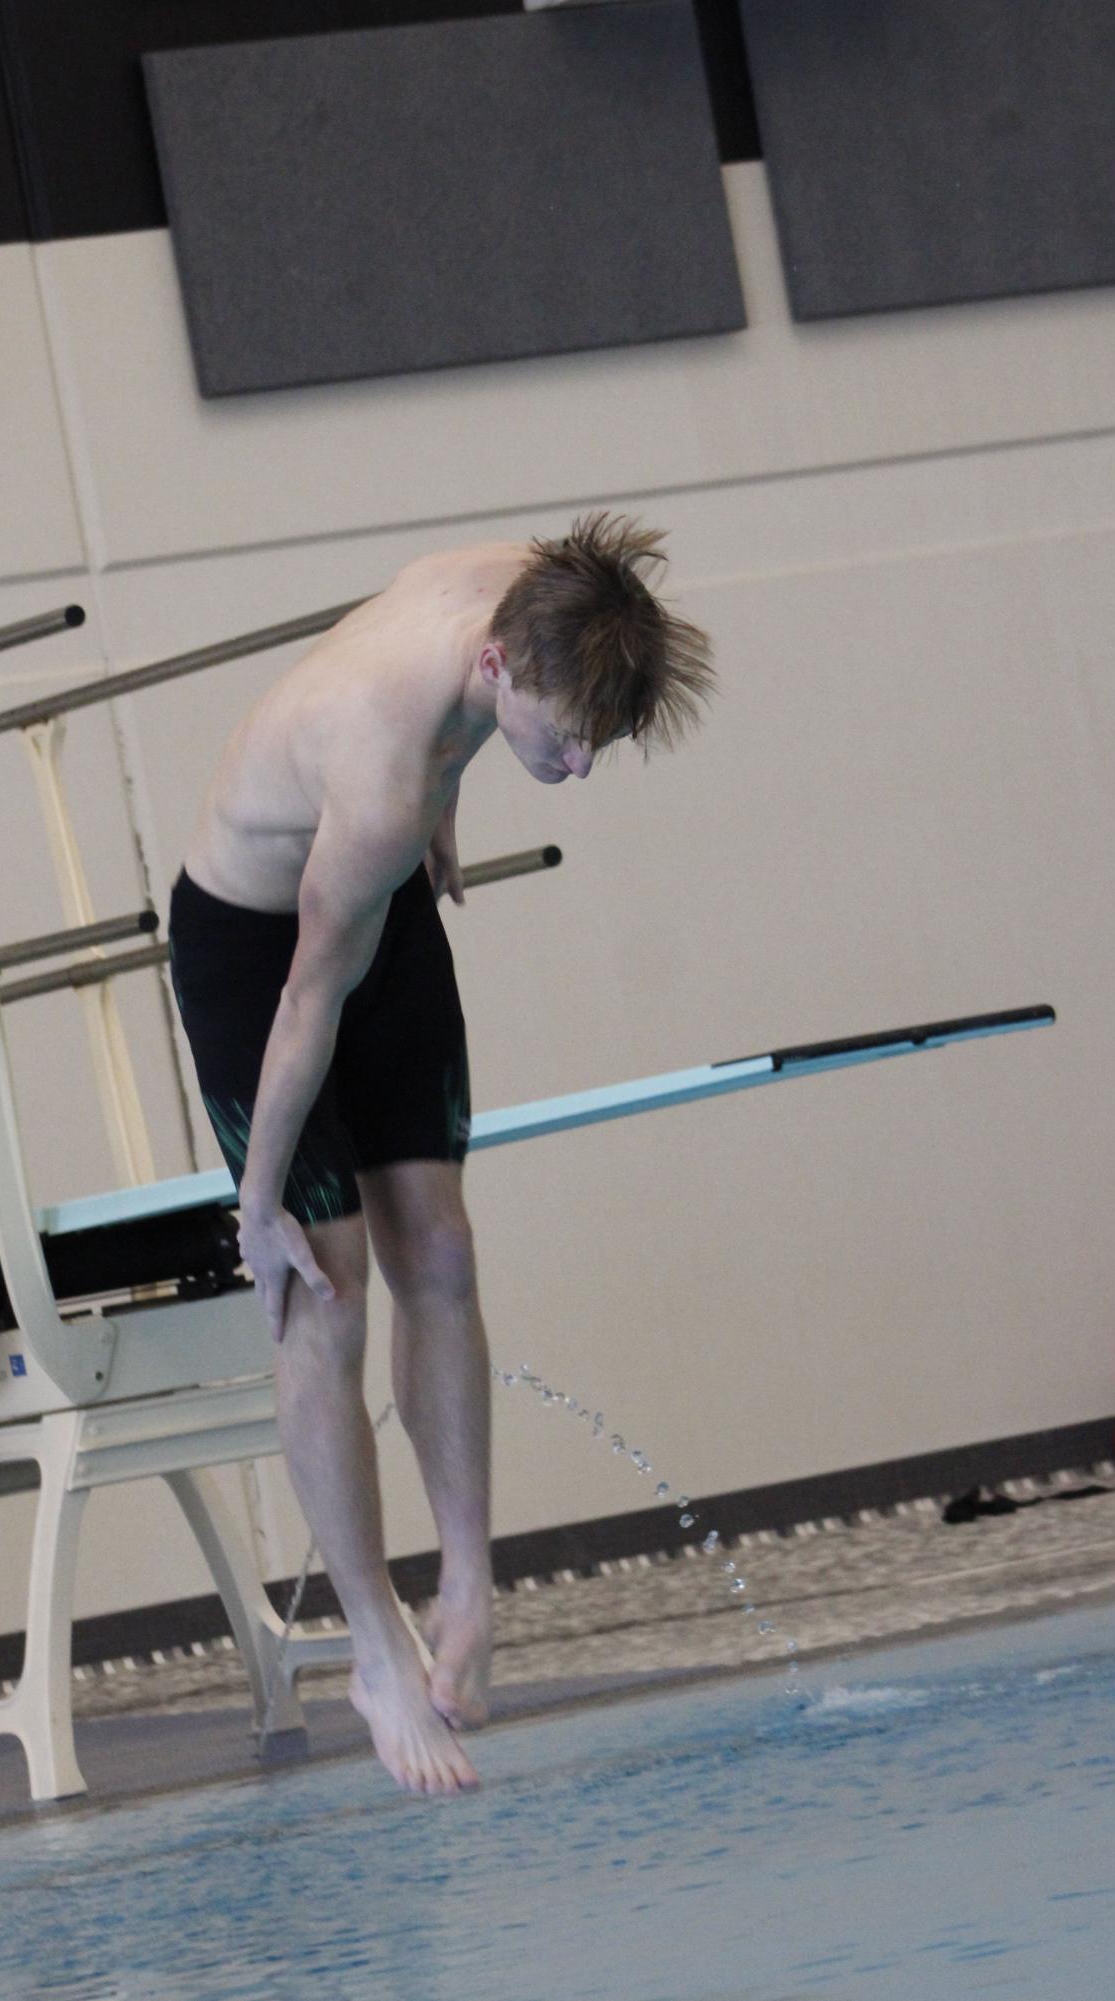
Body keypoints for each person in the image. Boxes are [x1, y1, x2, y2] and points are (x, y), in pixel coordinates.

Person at [166, 512, 715, 1796]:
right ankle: (374, 1651)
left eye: (596, 743)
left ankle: (469, 1581)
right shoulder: (374, 778)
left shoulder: (533, 596)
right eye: (564, 737)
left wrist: (447, 798)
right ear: (494, 672)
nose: (576, 767)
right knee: (327, 1287)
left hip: (381, 886)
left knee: (444, 1251)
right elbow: (306, 999)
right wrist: (252, 1210)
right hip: (259, 948)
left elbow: (483, 675)